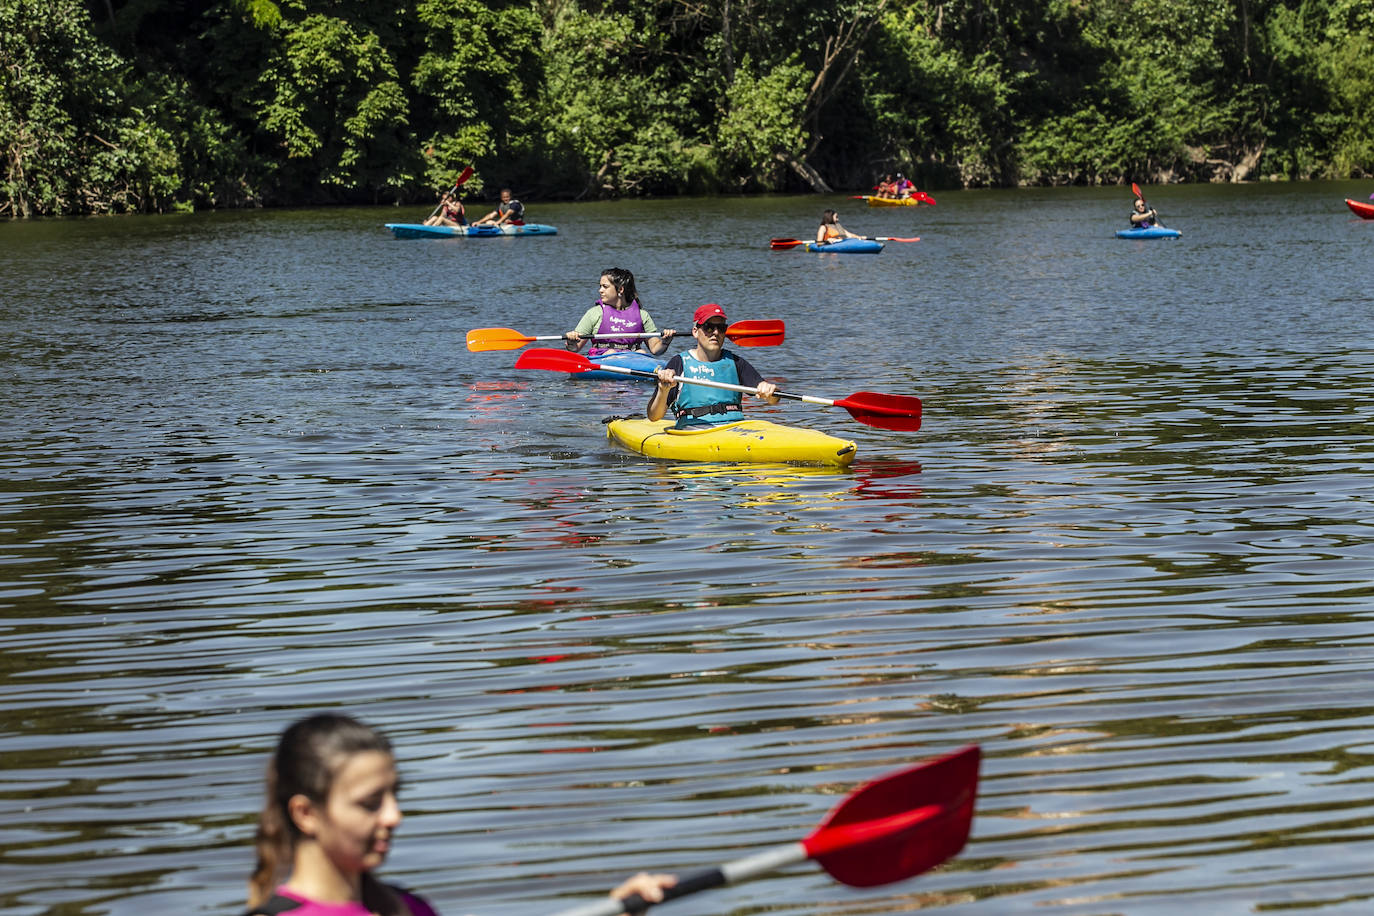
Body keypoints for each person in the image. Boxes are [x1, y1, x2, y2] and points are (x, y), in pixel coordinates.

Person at [244, 713, 676, 916]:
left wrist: (616, 910)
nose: (394, 816)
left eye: (395, 796)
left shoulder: (409, 908)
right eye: (370, 803)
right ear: (306, 813)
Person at [648, 304, 778, 427]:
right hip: (693, 430)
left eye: (721, 328)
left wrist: (770, 391)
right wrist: (663, 390)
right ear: (695, 331)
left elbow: (774, 400)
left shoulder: (736, 362)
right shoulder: (679, 363)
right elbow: (654, 416)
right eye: (709, 327)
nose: (716, 332)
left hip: (735, 427)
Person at [565, 268, 677, 356]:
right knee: (611, 353)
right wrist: (571, 341)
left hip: (633, 357)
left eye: (605, 287)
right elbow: (575, 348)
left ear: (620, 289)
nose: (600, 290)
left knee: (641, 353)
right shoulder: (594, 314)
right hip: (603, 357)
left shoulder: (642, 315)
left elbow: (655, 349)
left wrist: (665, 342)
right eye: (600, 286)